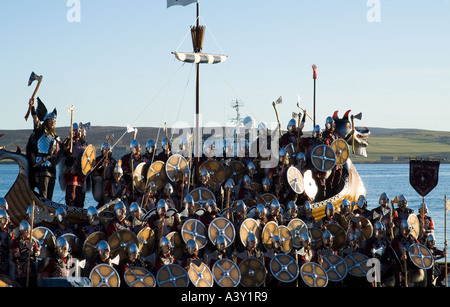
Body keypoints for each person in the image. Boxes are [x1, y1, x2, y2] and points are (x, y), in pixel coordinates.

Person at [26, 105, 61, 200]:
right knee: (43, 195)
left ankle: (49, 213)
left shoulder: (55, 136)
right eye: (51, 120)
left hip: (52, 168)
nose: (53, 122)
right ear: (46, 121)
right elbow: (36, 120)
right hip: (42, 166)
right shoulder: (41, 131)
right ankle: (42, 212)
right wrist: (32, 108)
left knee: (50, 197)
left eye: (54, 121)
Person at [62, 123, 89, 208]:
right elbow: (64, 148)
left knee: (80, 198)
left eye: (78, 131)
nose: (77, 133)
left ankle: (79, 213)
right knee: (71, 196)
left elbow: (89, 156)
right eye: (76, 131)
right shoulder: (70, 142)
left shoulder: (84, 144)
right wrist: (69, 138)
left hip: (82, 173)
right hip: (72, 172)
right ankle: (71, 212)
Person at [10, 220, 40, 287]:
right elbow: (15, 254)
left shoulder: (32, 241)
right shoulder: (16, 242)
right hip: (20, 270)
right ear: (22, 231)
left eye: (28, 230)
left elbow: (38, 251)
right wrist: (26, 248)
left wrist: (33, 253)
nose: (27, 232)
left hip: (31, 270)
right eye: (26, 231)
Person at [0, 209, 14, 276]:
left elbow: (12, 242)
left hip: (6, 255)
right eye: (4, 218)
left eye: (7, 218)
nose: (6, 220)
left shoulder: (10, 230)